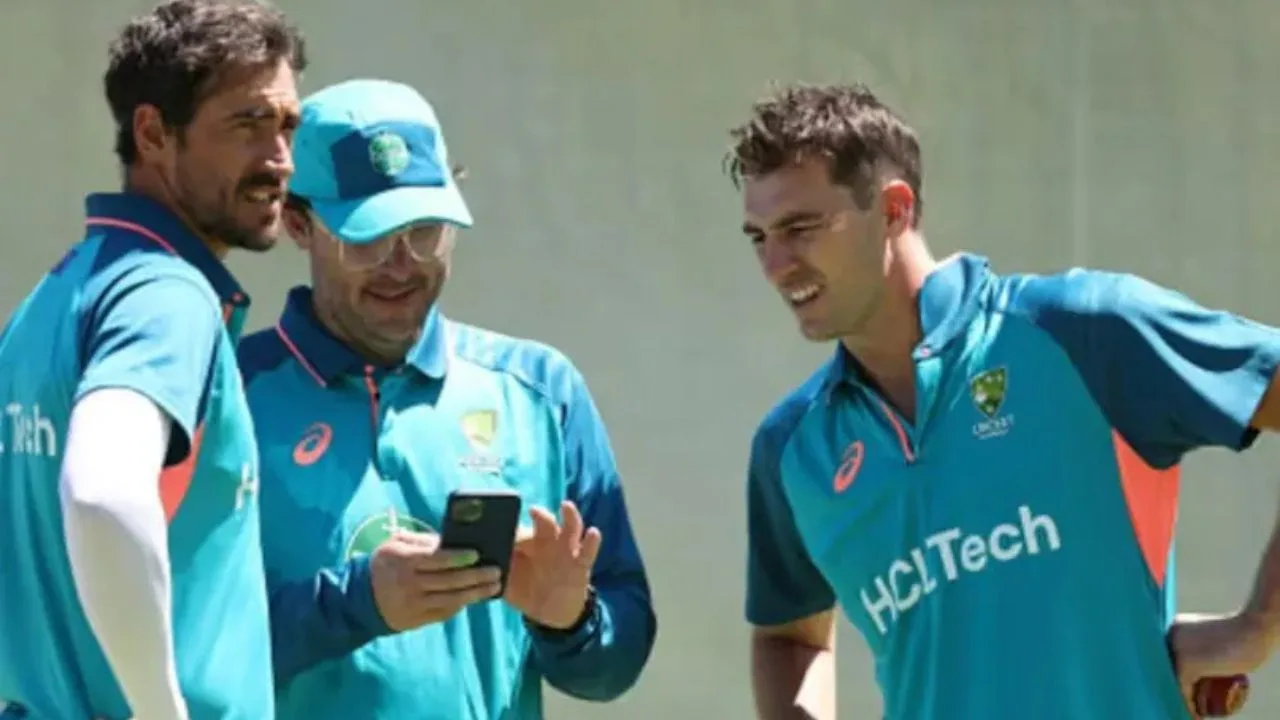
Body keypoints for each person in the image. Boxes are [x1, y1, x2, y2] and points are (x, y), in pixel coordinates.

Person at [725, 82, 1280, 720]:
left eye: (801, 227)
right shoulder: (791, 449)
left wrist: (1258, 626)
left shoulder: (1082, 331)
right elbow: (788, 635)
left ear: (894, 210)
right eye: (758, 237)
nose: (775, 265)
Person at [237, 78, 657, 720]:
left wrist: (570, 621)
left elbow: (615, 666)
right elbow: (175, 640)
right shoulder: (227, 394)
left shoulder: (541, 390)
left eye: (425, 231)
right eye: (368, 237)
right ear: (299, 224)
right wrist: (357, 605)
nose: (401, 265)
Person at [0, 1, 305, 718]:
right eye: (248, 124)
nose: (279, 160)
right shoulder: (166, 294)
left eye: (288, 125)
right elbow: (101, 494)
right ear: (152, 133)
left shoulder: (56, 296)